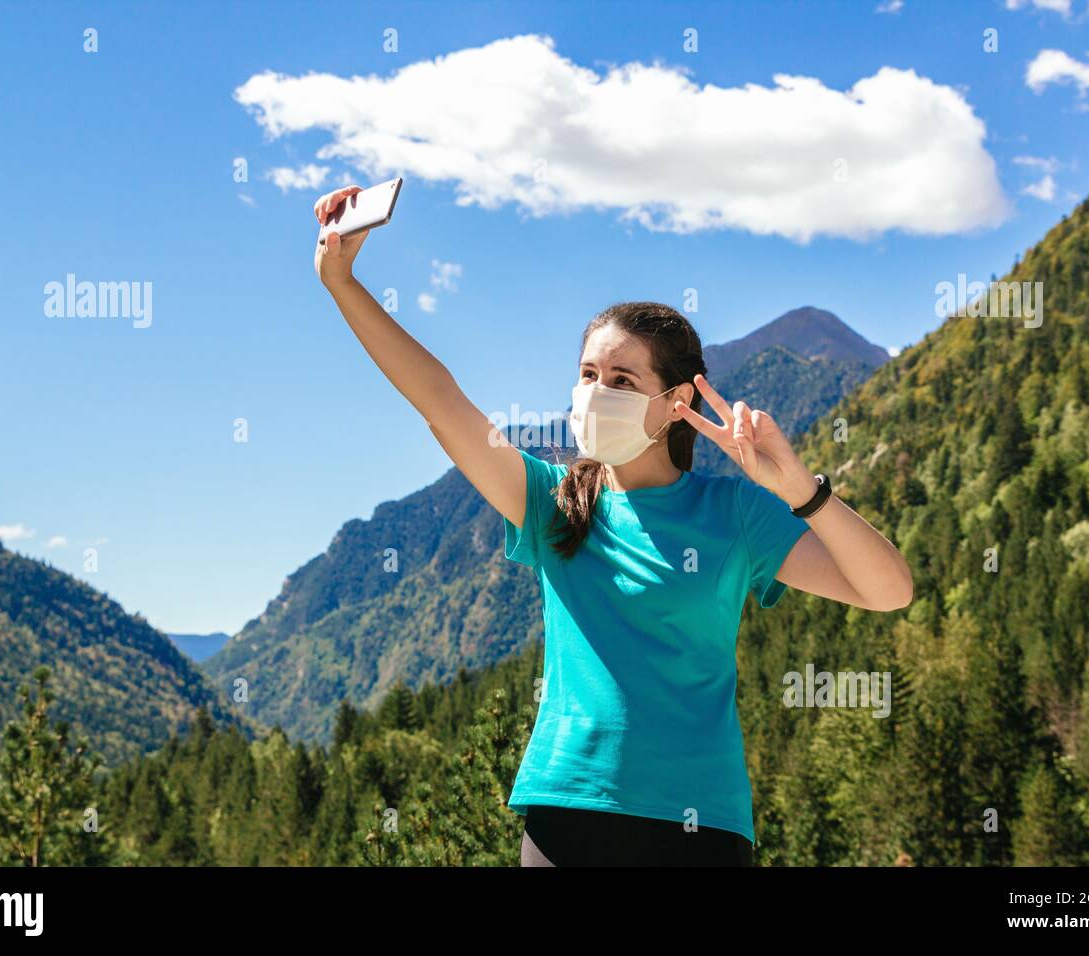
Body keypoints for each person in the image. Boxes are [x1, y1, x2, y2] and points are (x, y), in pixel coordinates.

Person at [313, 185, 914, 867]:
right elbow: (439, 398)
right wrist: (341, 282)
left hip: (701, 823)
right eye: (588, 373)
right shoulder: (552, 503)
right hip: (569, 815)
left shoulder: (735, 513)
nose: (597, 393)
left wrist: (800, 490)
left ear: (676, 401)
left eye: (623, 380)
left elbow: (888, 589)